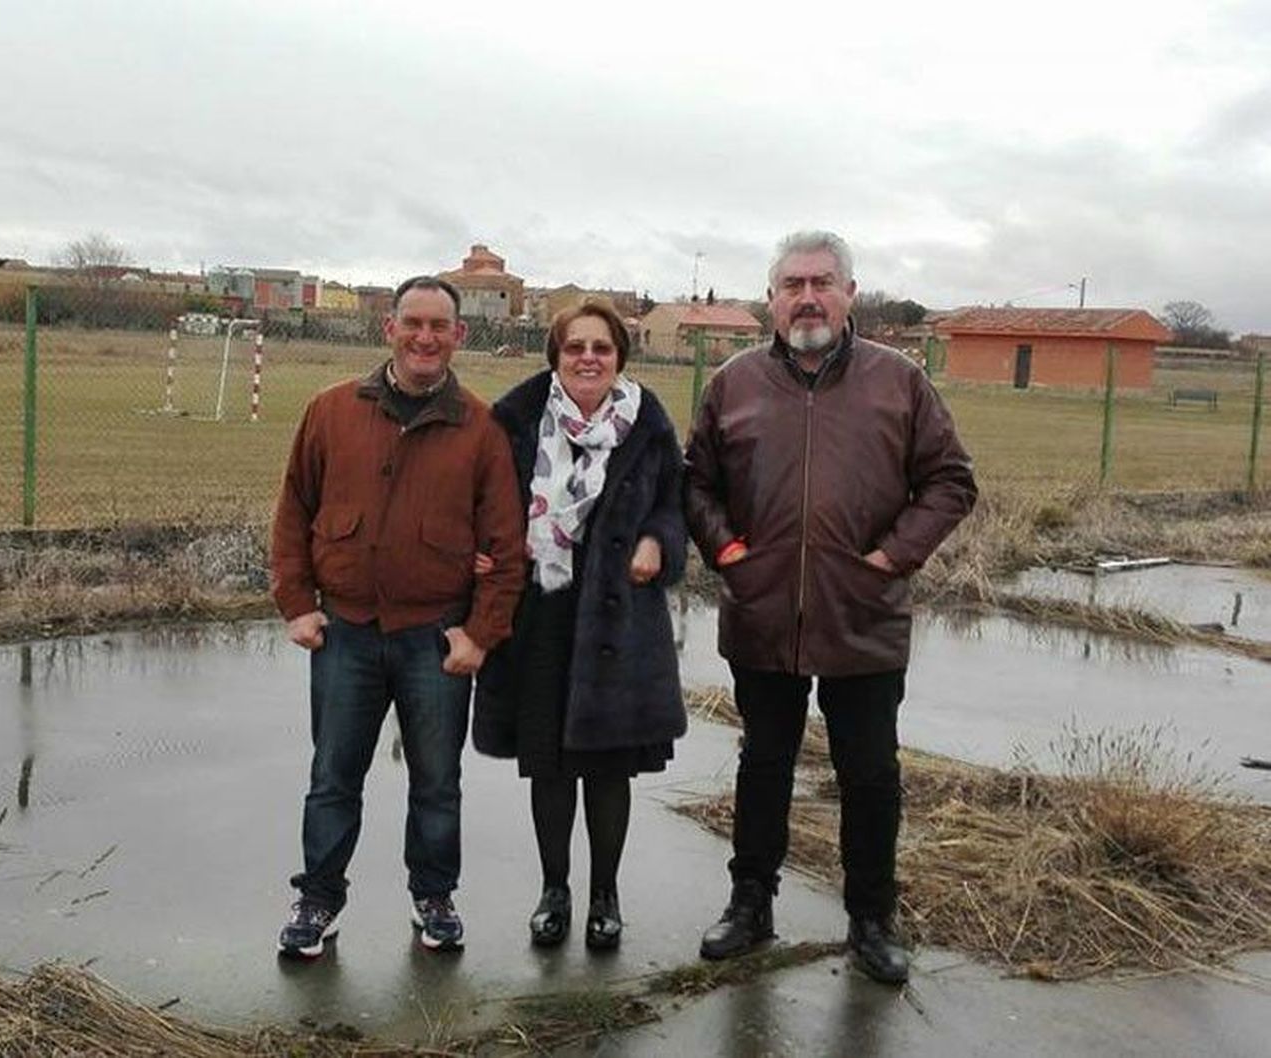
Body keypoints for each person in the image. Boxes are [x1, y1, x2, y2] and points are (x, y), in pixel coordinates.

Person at [683, 231, 977, 984]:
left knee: (870, 775)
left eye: (822, 281)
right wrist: (728, 554)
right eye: (792, 284)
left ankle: (872, 919)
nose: (807, 296)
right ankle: (751, 904)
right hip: (764, 615)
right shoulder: (735, 383)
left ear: (850, 292)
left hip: (863, 618)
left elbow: (949, 480)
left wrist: (891, 558)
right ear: (771, 299)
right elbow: (696, 484)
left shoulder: (899, 382)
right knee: (763, 765)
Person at [270, 276, 526, 959]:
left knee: (437, 783)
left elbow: (506, 545)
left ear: (458, 336)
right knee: (333, 779)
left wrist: (481, 633)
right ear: (389, 329)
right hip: (346, 632)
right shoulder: (330, 412)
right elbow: (294, 509)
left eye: (439, 326)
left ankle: (434, 897)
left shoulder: (480, 428)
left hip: (434, 639)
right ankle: (317, 899)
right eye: (413, 323)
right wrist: (297, 605)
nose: (425, 337)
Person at [472, 301, 687, 952]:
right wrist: (479, 548)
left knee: (607, 768)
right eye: (575, 347)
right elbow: (479, 500)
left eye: (601, 347)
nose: (588, 358)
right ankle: (554, 890)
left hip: (618, 618)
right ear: (555, 355)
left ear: (620, 356)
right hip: (540, 610)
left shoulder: (647, 424)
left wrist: (657, 542)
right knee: (549, 765)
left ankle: (605, 895)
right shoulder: (513, 420)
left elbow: (675, 503)